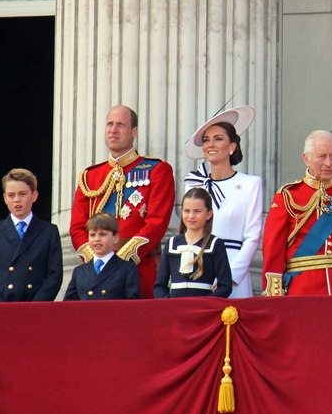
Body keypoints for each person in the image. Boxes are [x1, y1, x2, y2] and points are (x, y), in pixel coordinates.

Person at [70, 105, 175, 299]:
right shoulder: (89, 176)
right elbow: (77, 228)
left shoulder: (157, 170)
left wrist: (119, 262)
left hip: (138, 269)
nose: (113, 129)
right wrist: (100, 261)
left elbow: (156, 223)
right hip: (96, 273)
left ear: (134, 132)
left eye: (121, 124)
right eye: (110, 124)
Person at [261, 131, 332, 296]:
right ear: (306, 158)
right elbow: (273, 252)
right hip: (301, 292)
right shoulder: (287, 197)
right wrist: (274, 296)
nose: (328, 163)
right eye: (322, 156)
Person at [183, 106, 264, 298]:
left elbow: (252, 238)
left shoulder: (250, 184)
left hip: (233, 267)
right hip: (198, 267)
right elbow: (188, 230)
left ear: (232, 146)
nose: (211, 144)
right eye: (206, 140)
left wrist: (230, 276)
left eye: (218, 139)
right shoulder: (195, 184)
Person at [0, 169, 63, 302]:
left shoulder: (49, 231)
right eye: (11, 195)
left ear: (34, 195)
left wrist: (36, 306)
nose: (17, 200)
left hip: (35, 308)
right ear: (5, 198)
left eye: (22, 194)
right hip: (2, 307)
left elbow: (55, 275)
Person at [154, 188, 233, 298]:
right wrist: (169, 304)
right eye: (187, 211)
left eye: (197, 211)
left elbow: (225, 286)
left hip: (202, 309)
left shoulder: (215, 244)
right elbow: (159, 286)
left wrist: (204, 305)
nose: (191, 216)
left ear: (208, 214)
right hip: (175, 309)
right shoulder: (172, 243)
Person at [63, 212, 141, 300]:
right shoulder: (79, 272)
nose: (97, 239)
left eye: (102, 234)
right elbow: (69, 306)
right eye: (92, 235)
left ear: (115, 238)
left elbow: (132, 305)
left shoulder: (127, 269)